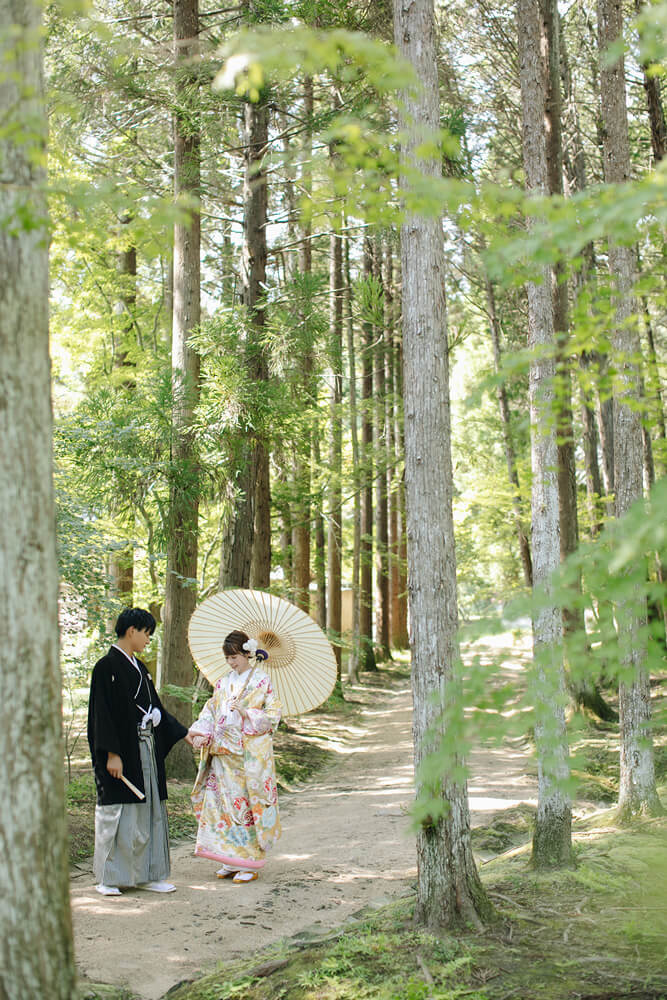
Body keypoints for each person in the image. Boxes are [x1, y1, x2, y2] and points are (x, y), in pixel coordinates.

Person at [87, 607, 194, 896]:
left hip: (145, 747)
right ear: (131, 630)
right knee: (120, 813)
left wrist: (184, 733)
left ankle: (149, 874)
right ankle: (109, 878)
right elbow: (102, 715)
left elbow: (155, 706)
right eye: (147, 633)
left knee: (150, 811)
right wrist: (111, 754)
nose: (148, 639)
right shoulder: (105, 667)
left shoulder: (141, 668)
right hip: (121, 751)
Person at [188, 630, 282, 884]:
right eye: (228, 658)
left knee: (245, 807)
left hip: (245, 755)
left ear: (248, 654)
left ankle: (248, 861)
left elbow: (273, 714)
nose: (231, 662)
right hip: (221, 753)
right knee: (221, 806)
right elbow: (211, 709)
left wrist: (248, 713)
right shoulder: (223, 682)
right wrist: (200, 732)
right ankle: (229, 858)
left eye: (235, 657)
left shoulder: (261, 680)